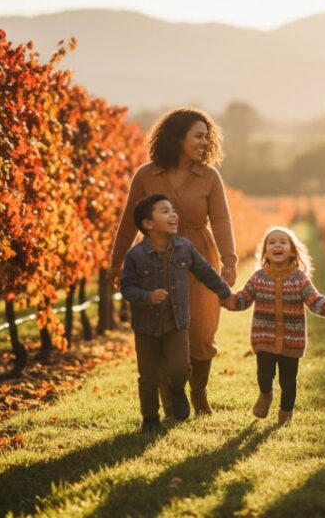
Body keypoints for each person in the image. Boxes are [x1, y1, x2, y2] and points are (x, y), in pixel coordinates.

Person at [109, 108, 237, 417]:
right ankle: (171, 400)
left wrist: (229, 262)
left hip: (198, 254)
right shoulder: (146, 174)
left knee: (203, 330)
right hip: (154, 259)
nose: (205, 142)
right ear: (177, 137)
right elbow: (129, 221)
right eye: (198, 136)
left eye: (208, 137)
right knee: (163, 327)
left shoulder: (209, 176)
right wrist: (116, 264)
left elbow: (221, 221)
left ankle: (199, 392)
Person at [120, 194, 233, 432]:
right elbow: (126, 288)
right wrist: (147, 297)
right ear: (148, 224)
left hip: (177, 322)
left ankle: (177, 390)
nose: (174, 215)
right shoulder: (135, 256)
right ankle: (150, 418)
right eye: (165, 211)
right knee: (148, 377)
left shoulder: (184, 248)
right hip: (146, 328)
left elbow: (206, 272)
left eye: (173, 210)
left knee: (181, 368)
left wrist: (225, 293)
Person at [222, 226, 325, 426]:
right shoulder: (258, 277)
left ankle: (285, 413)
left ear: (292, 251)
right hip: (264, 337)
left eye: (283, 242)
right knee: (264, 374)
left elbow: (314, 301)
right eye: (272, 242)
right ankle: (265, 395)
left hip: (292, 340)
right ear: (265, 251)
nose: (277, 245)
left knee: (288, 380)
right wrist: (228, 300)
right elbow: (243, 298)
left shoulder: (300, 279)